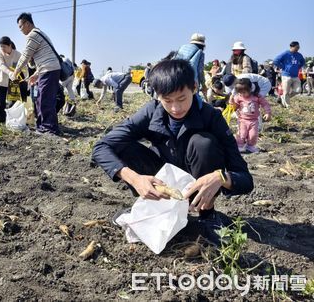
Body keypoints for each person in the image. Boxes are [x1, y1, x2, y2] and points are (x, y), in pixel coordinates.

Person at [92, 59, 254, 245]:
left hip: (196, 189)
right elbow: (101, 147)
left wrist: (221, 177)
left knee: (203, 143)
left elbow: (245, 179)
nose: (176, 108)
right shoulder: (151, 112)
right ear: (157, 95)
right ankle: (154, 206)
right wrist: (135, 179)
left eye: (182, 99)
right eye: (167, 101)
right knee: (123, 145)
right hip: (162, 187)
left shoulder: (211, 117)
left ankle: (207, 214)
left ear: (194, 87)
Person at [12, 13, 62, 135]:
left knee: (45, 100)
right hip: (47, 69)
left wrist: (16, 71)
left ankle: (49, 129)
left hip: (49, 70)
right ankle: (43, 127)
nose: (20, 30)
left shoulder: (33, 35)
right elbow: (44, 58)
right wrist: (36, 74)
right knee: (41, 99)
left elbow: (26, 55)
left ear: (27, 23)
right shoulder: (39, 34)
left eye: (20, 26)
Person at [229, 78, 271, 154]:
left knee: (253, 135)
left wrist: (267, 113)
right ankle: (239, 146)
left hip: (254, 120)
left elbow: (265, 104)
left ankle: (250, 146)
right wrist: (232, 102)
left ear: (250, 89)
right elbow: (235, 107)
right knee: (242, 134)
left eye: (244, 92)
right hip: (242, 120)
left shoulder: (257, 96)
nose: (242, 94)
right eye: (240, 92)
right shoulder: (238, 97)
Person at [0, 36, 28, 123]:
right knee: (1, 104)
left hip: (14, 83)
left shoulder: (17, 54)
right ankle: (0, 121)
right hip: (1, 82)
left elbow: (24, 66)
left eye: (4, 46)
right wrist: (10, 73)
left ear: (10, 45)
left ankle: (11, 120)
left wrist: (26, 78)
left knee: (13, 103)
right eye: (1, 46)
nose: (2, 48)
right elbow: (1, 65)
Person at [173, 33, 207, 98]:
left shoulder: (182, 48)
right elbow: (200, 71)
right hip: (191, 81)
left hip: (177, 78)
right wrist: (203, 84)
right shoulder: (200, 52)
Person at [273, 41, 306, 108]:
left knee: (298, 90)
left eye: (298, 47)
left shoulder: (299, 55)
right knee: (286, 92)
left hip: (295, 76)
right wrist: (283, 67)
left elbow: (303, 61)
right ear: (291, 47)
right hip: (286, 75)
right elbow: (276, 60)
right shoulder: (285, 53)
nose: (298, 49)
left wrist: (298, 67)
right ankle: (287, 106)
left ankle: (283, 97)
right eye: (297, 47)